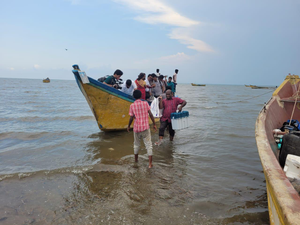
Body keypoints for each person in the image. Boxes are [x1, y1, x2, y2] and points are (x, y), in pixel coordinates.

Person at [127, 90, 157, 168]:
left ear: (134, 97)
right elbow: (150, 114)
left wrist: (128, 126)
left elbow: (131, 117)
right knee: (149, 145)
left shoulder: (132, 105)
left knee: (136, 145)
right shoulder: (145, 103)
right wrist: (154, 124)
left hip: (136, 128)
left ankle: (136, 160)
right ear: (141, 96)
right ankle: (150, 164)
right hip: (145, 128)